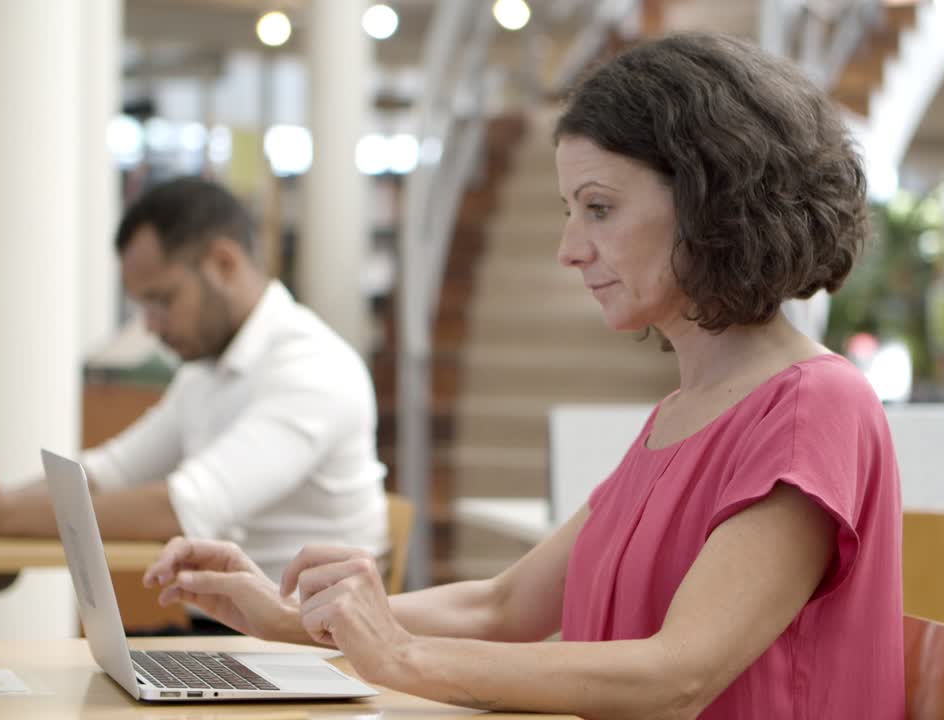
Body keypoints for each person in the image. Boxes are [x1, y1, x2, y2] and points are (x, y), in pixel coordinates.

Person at [142, 33, 903, 718]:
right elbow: (500, 605)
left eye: (599, 208)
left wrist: (399, 657)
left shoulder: (815, 407)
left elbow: (676, 676)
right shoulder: (683, 412)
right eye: (572, 211)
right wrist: (294, 616)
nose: (570, 248)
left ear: (713, 204)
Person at [0, 177, 388, 586]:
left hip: (304, 653)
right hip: (234, 641)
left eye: (162, 300)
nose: (151, 326)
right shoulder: (207, 370)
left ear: (224, 264)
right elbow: (108, 473)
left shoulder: (314, 369)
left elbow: (180, 509)